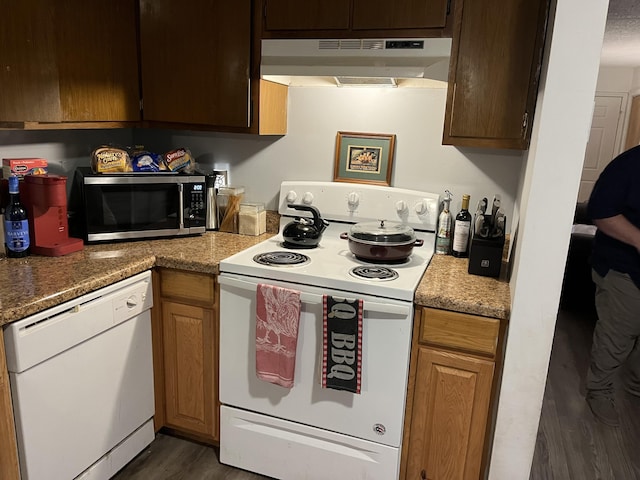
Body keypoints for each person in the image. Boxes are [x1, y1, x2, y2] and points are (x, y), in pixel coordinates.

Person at [585, 144, 640, 427]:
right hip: (623, 269)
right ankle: (599, 389)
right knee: (618, 336)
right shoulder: (629, 165)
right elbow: (601, 212)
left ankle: (635, 386)